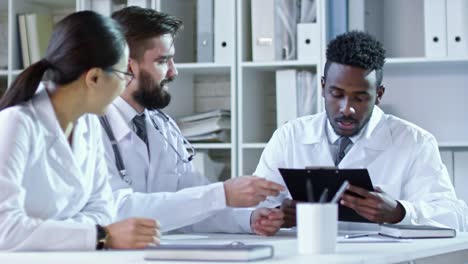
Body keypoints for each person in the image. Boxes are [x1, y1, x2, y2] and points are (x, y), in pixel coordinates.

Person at [254, 31, 466, 230]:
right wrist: (277, 215)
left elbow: (455, 217)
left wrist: (399, 212)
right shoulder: (289, 136)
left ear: (379, 95)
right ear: (323, 88)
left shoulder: (415, 142)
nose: (347, 109)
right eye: (336, 94)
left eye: (360, 97)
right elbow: (251, 206)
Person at [101, 6, 284, 236]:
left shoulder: (162, 127)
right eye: (162, 61)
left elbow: (193, 206)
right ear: (128, 67)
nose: (173, 72)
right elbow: (117, 211)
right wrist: (222, 194)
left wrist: (248, 219)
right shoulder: (90, 128)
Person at [0, 11, 160, 251]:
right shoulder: (16, 123)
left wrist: (50, 232)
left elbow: (102, 209)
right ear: (94, 77)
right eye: (123, 75)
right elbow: (5, 229)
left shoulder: (88, 123)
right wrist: (100, 235)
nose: (127, 84)